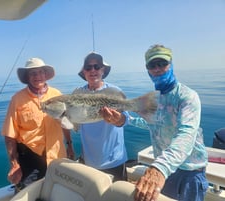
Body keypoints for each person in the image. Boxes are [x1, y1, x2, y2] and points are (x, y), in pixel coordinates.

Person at [130, 45, 208, 201]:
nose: (157, 68)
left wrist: (159, 168)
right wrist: (126, 120)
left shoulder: (188, 96)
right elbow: (156, 124)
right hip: (166, 169)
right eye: (153, 65)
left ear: (171, 64)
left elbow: (186, 134)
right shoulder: (154, 98)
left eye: (162, 63)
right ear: (147, 69)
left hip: (189, 173)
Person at [1, 57, 74, 192]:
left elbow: (65, 122)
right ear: (27, 77)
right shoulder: (17, 99)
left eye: (40, 72)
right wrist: (14, 164)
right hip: (30, 160)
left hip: (57, 155)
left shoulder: (57, 95)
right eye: (32, 73)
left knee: (58, 192)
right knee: (28, 194)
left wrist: (69, 145)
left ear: (46, 74)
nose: (37, 76)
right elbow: (9, 135)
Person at [76, 52, 129, 181]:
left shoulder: (114, 91)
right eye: (88, 67)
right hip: (89, 162)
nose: (92, 70)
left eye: (97, 66)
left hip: (114, 160)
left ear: (103, 70)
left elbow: (125, 119)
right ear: (84, 72)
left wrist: (118, 120)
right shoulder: (77, 94)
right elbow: (75, 124)